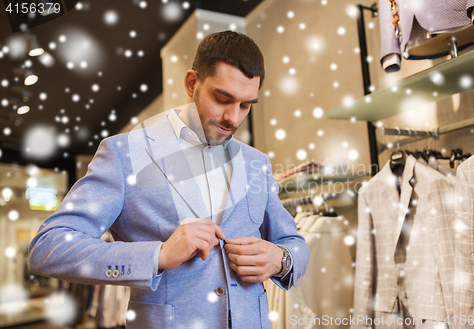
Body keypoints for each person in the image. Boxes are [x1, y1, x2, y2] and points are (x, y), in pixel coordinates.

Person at [29, 31, 309, 329]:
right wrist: (158, 255)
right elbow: (49, 247)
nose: (233, 118)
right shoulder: (124, 154)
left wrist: (282, 259)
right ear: (192, 83)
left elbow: (293, 242)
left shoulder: (257, 163)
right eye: (222, 98)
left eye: (245, 105)